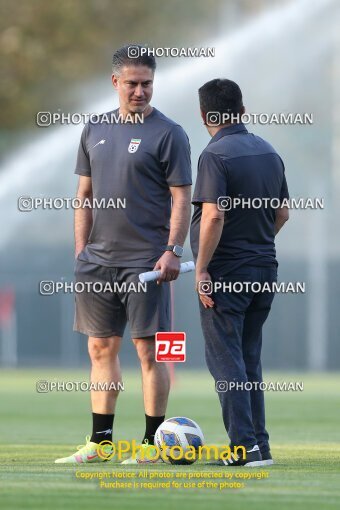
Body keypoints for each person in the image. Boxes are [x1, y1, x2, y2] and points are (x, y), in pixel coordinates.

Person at [55, 45, 192, 464]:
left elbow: (182, 200)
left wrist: (173, 250)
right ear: (115, 83)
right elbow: (84, 196)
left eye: (147, 84)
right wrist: (81, 252)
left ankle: (152, 446)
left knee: (151, 353)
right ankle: (101, 444)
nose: (139, 91)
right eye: (132, 83)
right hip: (97, 263)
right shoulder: (93, 128)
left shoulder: (170, 133)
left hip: (149, 265)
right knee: (100, 350)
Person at [190, 78, 289, 467]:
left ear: (203, 116)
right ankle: (258, 447)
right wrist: (256, 244)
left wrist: (201, 270)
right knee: (249, 359)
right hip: (265, 270)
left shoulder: (215, 155)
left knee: (226, 362)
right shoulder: (269, 151)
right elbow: (282, 213)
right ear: (243, 110)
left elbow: (213, 214)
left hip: (226, 275)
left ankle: (244, 447)